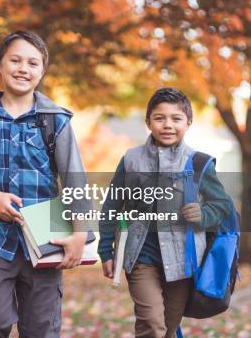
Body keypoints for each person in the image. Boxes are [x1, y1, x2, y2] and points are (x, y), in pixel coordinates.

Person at [0, 30, 89, 337]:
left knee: (40, 328)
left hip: (48, 237)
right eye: (15, 60)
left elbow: (75, 179)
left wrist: (80, 233)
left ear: (42, 71)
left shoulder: (56, 120)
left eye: (33, 63)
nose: (23, 68)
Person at [98, 87, 231, 338]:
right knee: (151, 324)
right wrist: (106, 249)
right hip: (140, 257)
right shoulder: (131, 160)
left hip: (183, 261)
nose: (167, 125)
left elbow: (223, 205)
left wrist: (203, 213)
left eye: (176, 118)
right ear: (148, 122)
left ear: (188, 123)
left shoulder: (199, 163)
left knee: (168, 329)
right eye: (159, 118)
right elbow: (112, 207)